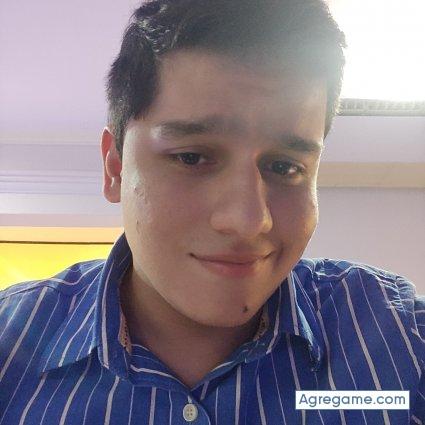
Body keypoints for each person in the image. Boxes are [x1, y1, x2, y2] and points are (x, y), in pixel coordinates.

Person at [0, 0, 424, 423]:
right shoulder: (9, 346)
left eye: (285, 167)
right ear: (115, 168)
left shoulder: (401, 338)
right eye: (192, 158)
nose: (248, 221)